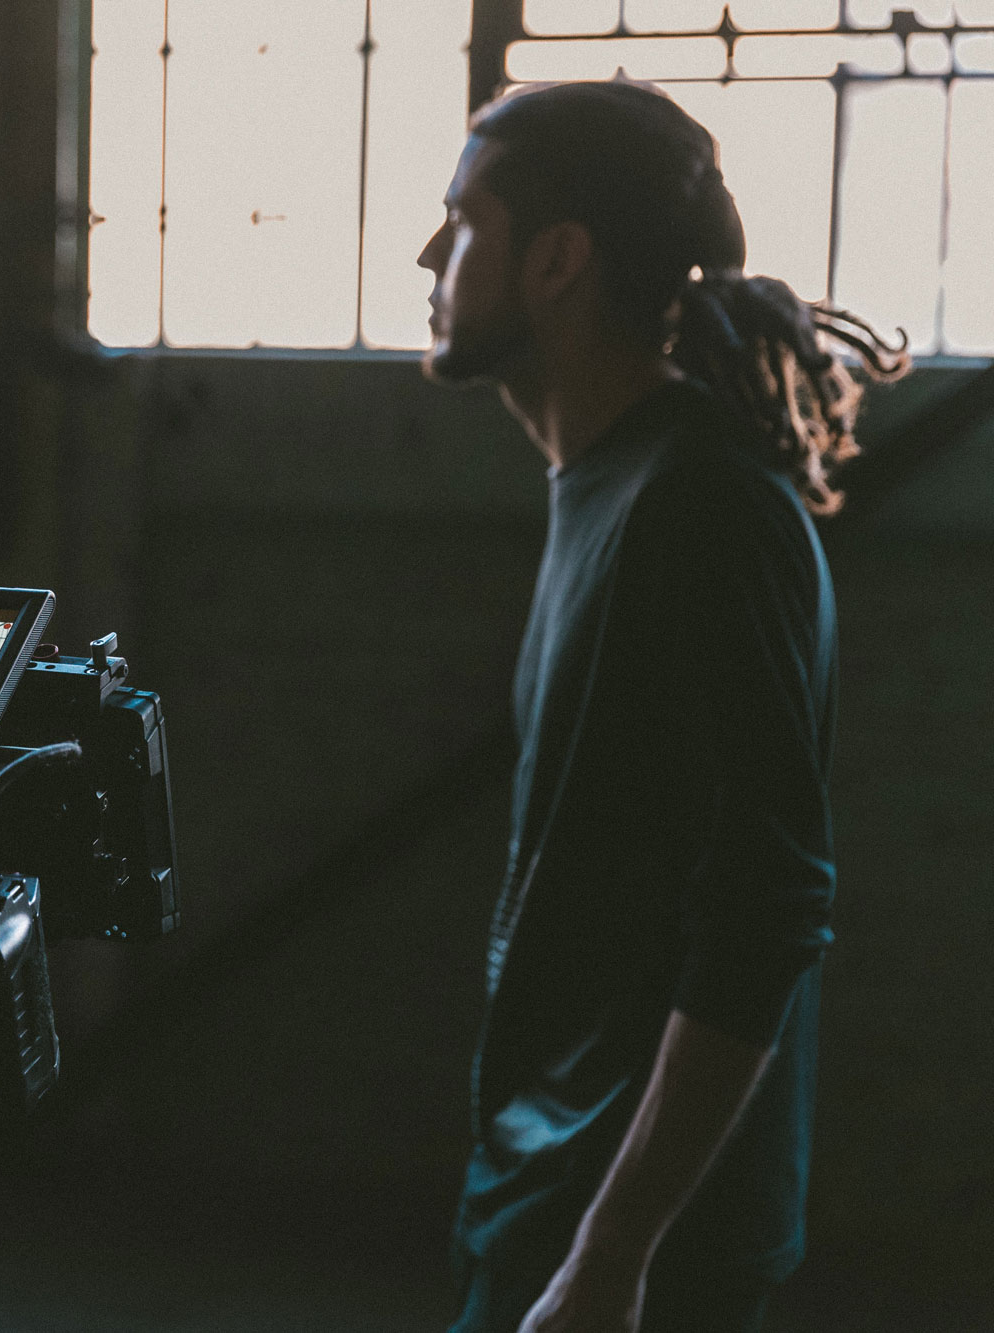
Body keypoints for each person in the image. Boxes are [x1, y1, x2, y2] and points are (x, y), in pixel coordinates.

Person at [416, 80, 904, 1333]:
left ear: (555, 260)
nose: (429, 250)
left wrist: (616, 1247)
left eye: (462, 219)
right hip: (544, 1179)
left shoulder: (702, 508)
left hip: (634, 1241)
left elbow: (767, 905)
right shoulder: (609, 483)